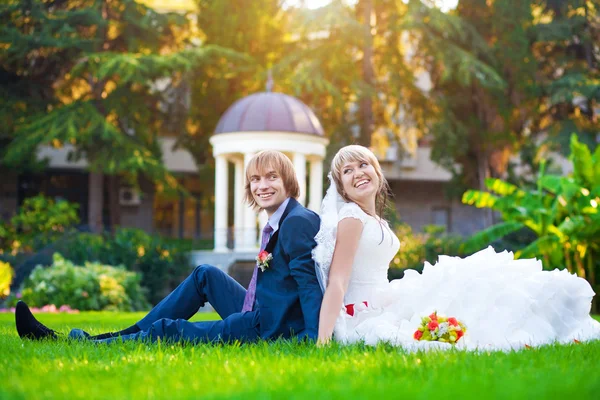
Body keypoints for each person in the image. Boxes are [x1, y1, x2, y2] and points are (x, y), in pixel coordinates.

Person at [16, 150, 323, 344]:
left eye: (271, 177)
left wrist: (313, 340)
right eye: (255, 179)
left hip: (268, 329)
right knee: (205, 274)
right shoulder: (281, 220)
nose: (262, 185)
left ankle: (80, 343)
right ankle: (108, 338)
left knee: (168, 331)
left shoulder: (296, 221)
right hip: (262, 311)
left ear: (288, 181)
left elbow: (309, 284)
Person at [314, 144, 600, 351]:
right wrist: (324, 342)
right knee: (461, 284)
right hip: (365, 312)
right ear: (341, 187)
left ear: (377, 172)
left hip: (387, 296)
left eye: (363, 165)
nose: (358, 173)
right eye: (347, 171)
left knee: (469, 281)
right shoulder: (351, 217)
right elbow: (338, 280)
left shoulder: (373, 219)